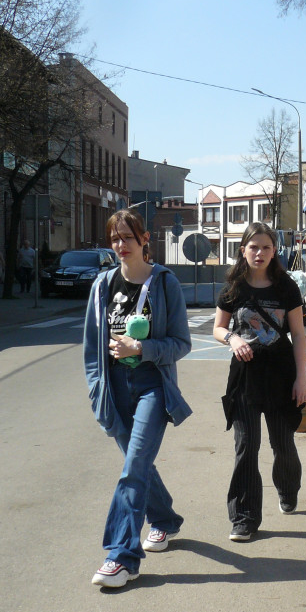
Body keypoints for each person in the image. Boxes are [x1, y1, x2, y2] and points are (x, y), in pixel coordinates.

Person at [83, 209, 192, 588]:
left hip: (152, 386)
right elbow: (90, 349)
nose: (120, 245)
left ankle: (122, 556)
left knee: (133, 467)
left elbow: (181, 343)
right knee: (139, 464)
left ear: (145, 240)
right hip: (115, 389)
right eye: (114, 238)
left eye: (127, 237)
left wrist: (141, 348)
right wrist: (97, 390)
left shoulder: (165, 283)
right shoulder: (102, 285)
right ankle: (165, 520)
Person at [213, 222, 306, 542]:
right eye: (253, 247)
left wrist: (302, 378)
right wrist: (231, 339)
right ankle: (244, 517)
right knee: (246, 447)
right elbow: (217, 328)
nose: (260, 253)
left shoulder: (286, 288)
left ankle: (287, 487)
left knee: (282, 444)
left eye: (266, 247)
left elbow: (298, 335)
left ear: (274, 251)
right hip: (245, 377)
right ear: (243, 250)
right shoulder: (233, 287)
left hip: (280, 375)